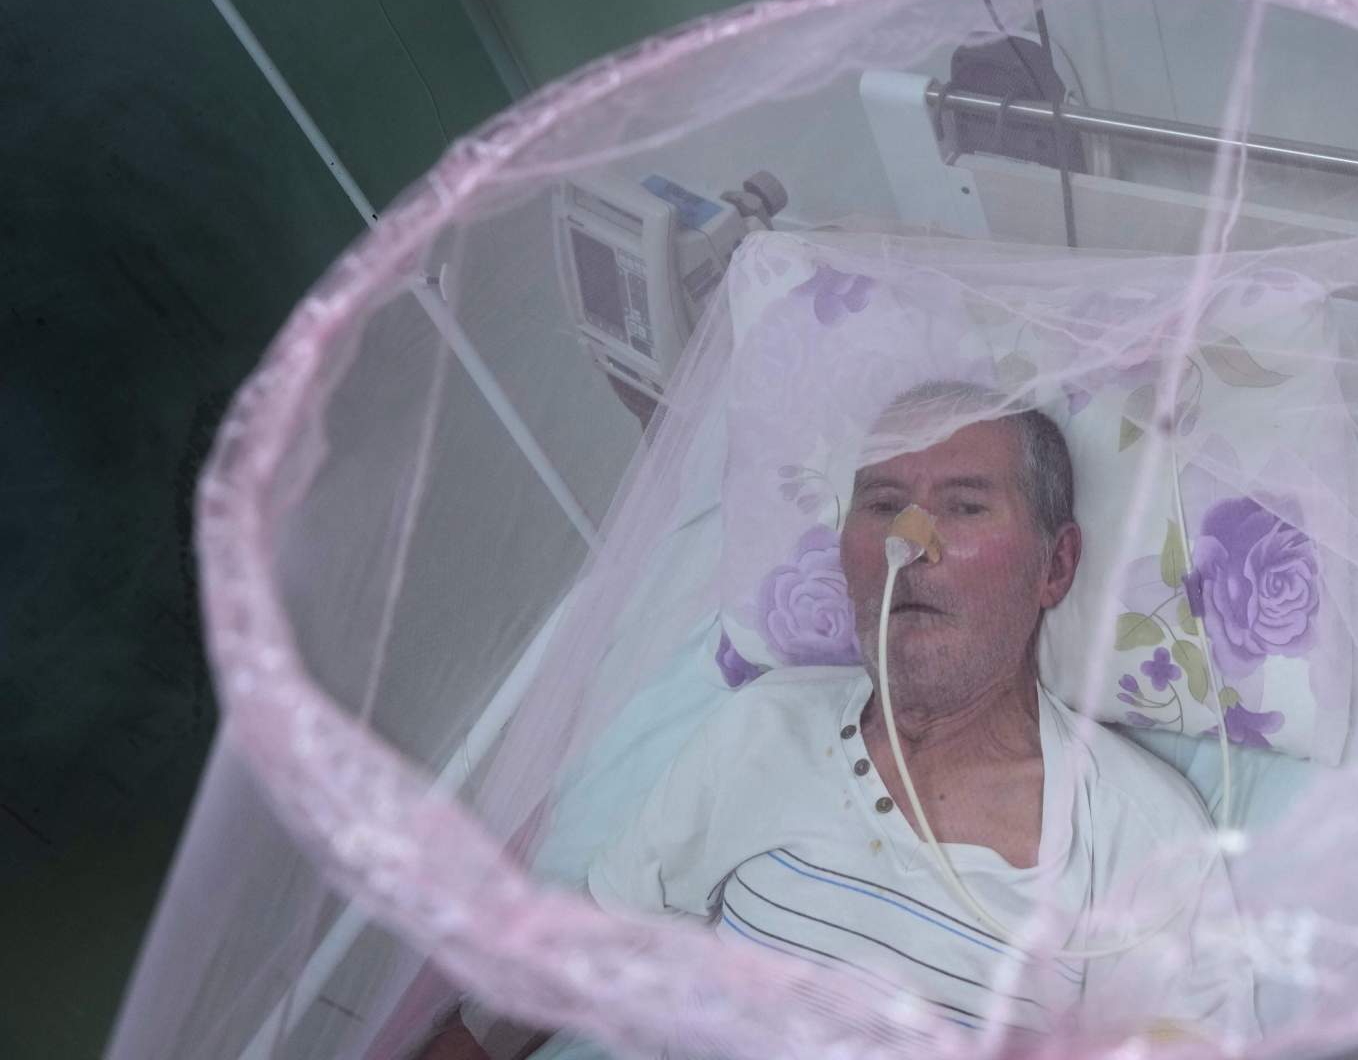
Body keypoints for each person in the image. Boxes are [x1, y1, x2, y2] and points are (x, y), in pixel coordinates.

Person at [422, 384, 1250, 1058]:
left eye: (963, 508)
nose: (909, 540)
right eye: (883, 503)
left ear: (1055, 564)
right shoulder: (764, 731)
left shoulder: (1137, 841)